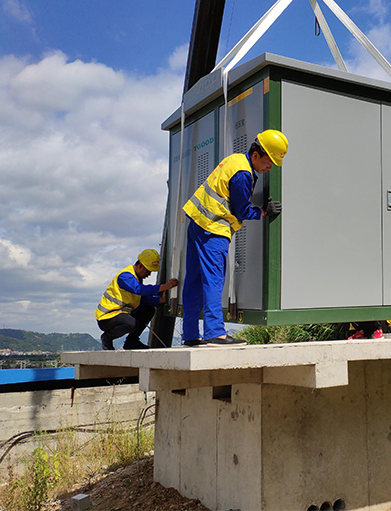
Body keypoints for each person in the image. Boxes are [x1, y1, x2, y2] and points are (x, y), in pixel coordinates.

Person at [181, 129, 289, 347]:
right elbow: (241, 211)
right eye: (269, 161)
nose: (270, 167)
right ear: (257, 154)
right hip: (213, 229)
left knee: (193, 281)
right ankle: (215, 333)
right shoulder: (243, 174)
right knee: (214, 279)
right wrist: (263, 211)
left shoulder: (236, 160)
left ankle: (191, 335)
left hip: (197, 224)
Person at [95, 249, 178, 350]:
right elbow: (139, 290)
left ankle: (131, 342)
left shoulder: (136, 278)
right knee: (131, 323)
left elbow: (141, 299)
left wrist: (158, 301)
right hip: (107, 317)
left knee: (148, 310)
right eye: (148, 270)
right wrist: (164, 286)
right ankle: (107, 338)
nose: (149, 274)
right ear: (140, 266)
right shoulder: (125, 276)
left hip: (121, 313)